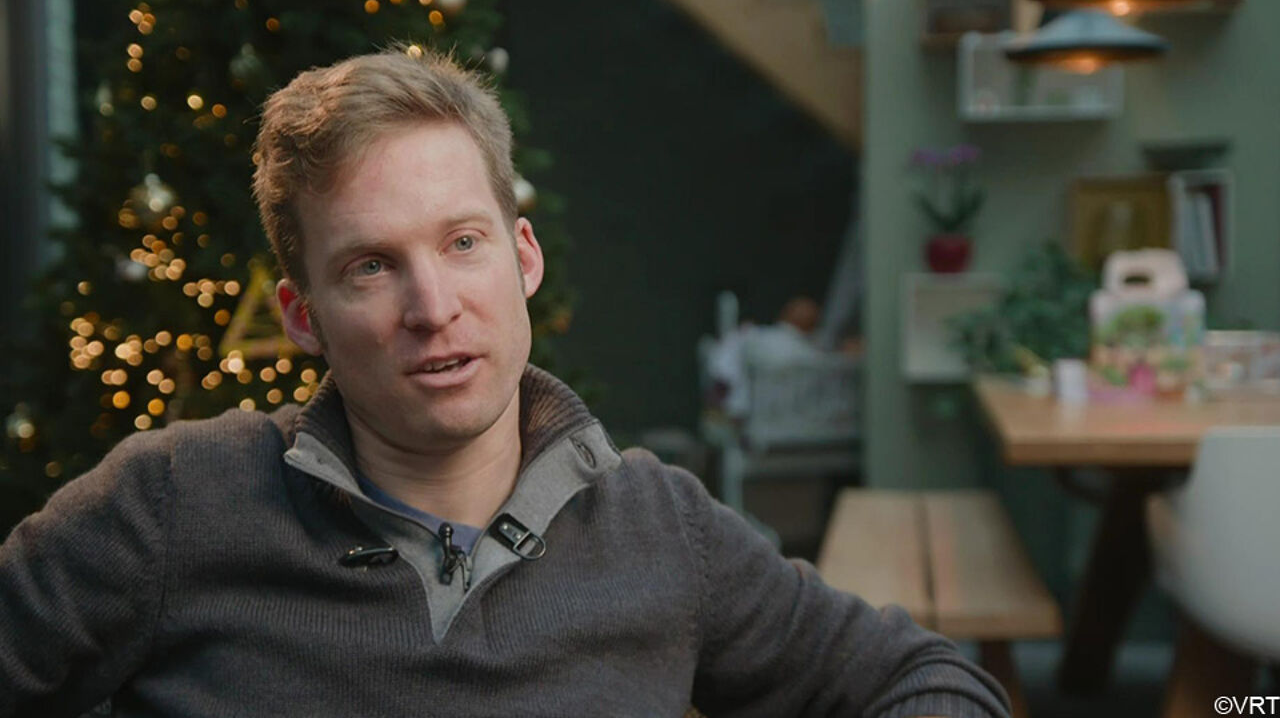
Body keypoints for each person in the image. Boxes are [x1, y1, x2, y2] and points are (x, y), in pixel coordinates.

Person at [0, 49, 1011, 717]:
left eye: (463, 243)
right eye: (371, 266)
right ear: (303, 316)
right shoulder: (174, 506)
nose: (433, 306)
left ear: (522, 257)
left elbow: (928, 680)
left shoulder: (661, 529)